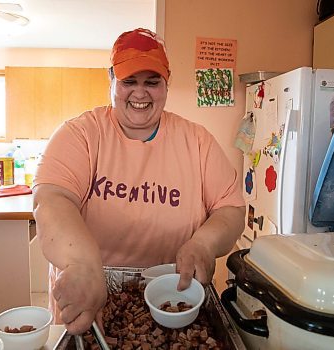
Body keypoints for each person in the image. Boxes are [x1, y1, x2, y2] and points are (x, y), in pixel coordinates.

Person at [33, 28, 246, 335]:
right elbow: (51, 199)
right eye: (129, 81)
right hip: (90, 301)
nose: (140, 93)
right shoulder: (80, 135)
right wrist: (81, 264)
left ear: (166, 83)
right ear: (111, 81)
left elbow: (231, 209)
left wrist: (204, 242)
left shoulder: (197, 141)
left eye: (152, 82)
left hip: (174, 299)